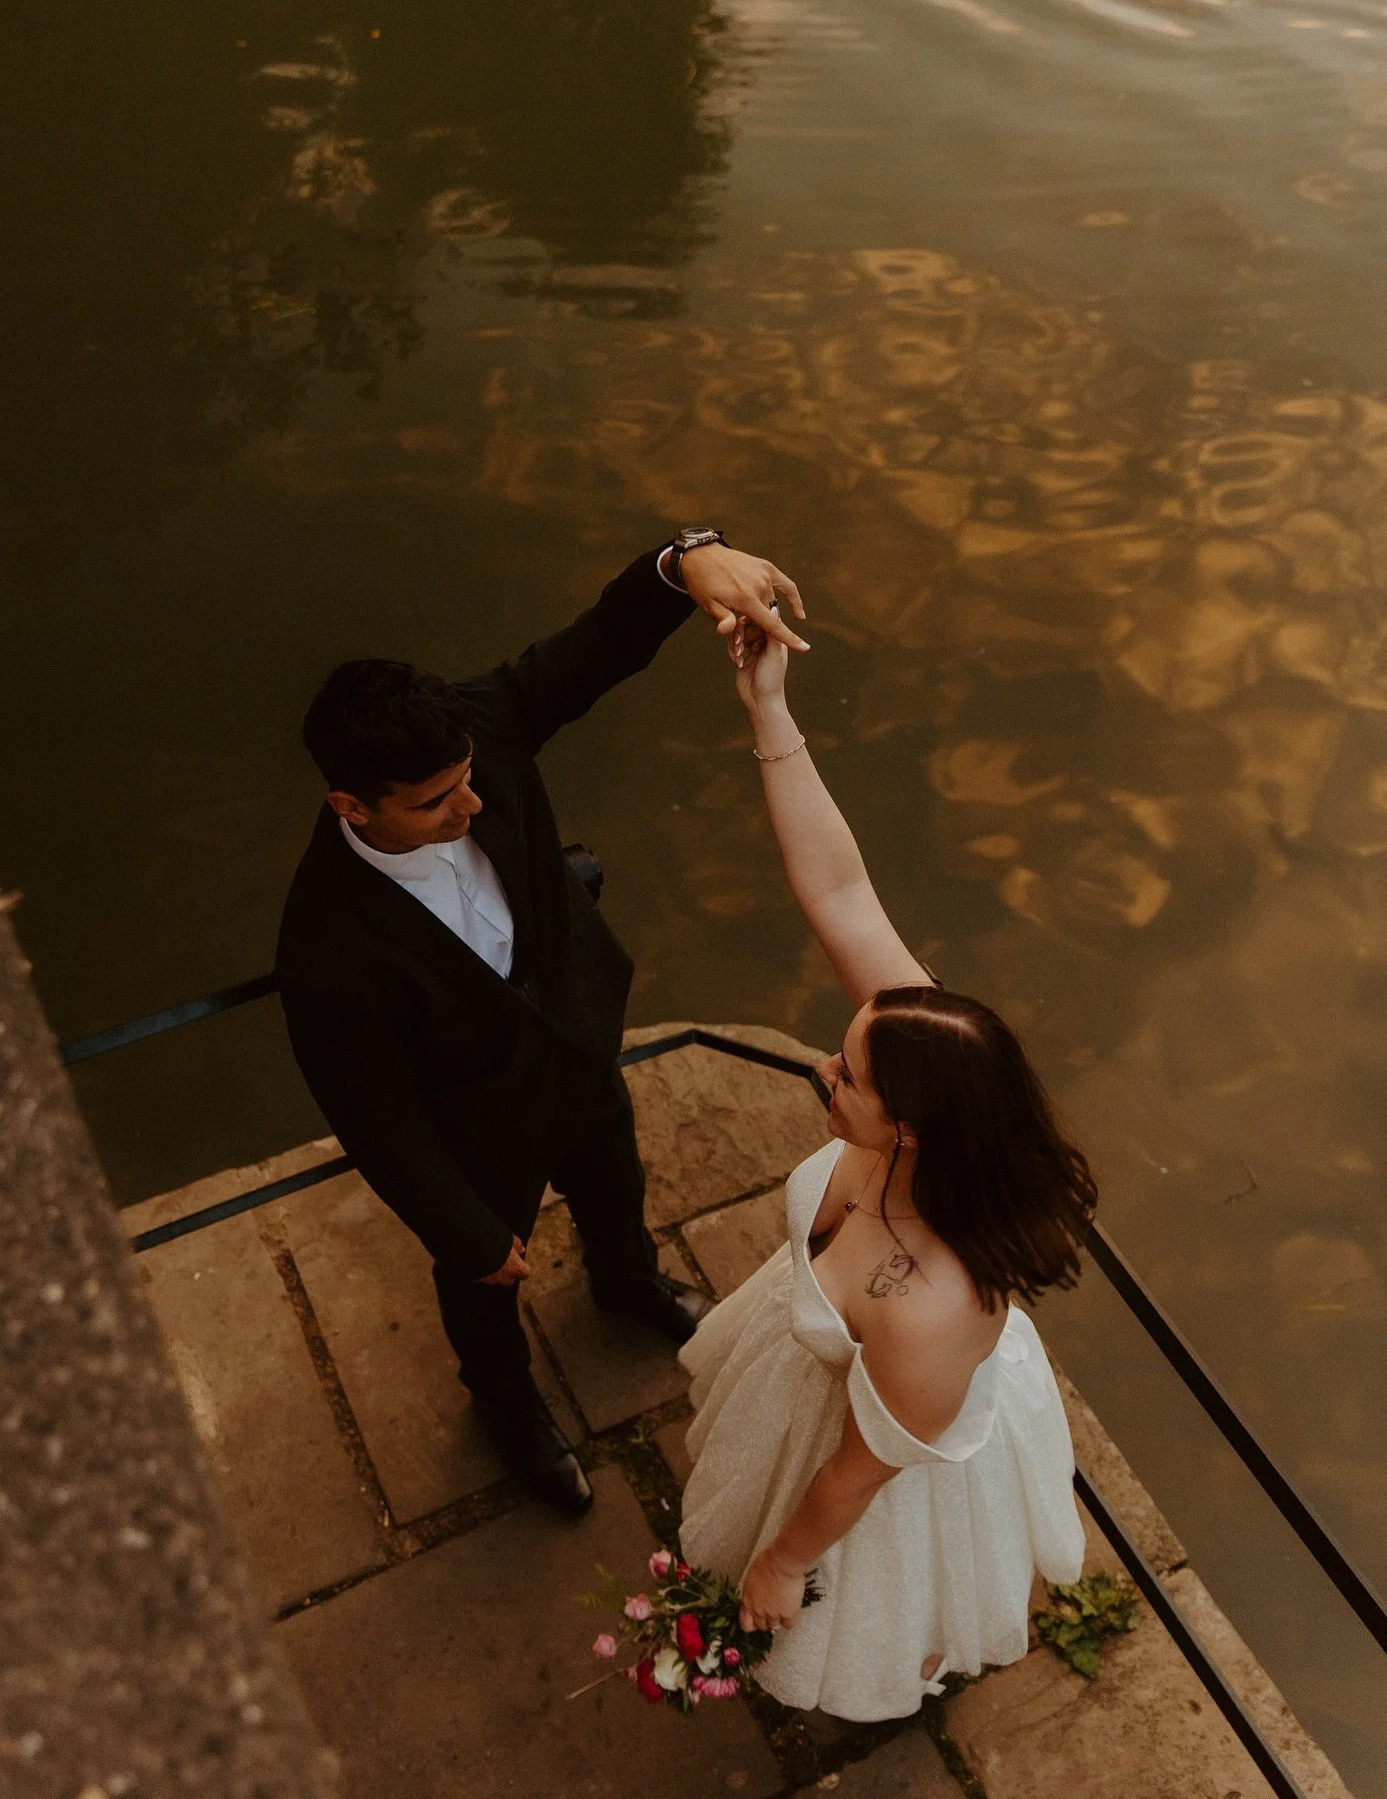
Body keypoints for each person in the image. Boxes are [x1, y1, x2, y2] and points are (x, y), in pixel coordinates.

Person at [275, 534, 808, 1518]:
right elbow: (372, 1111)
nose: (471, 805)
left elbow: (597, 644)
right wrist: (468, 1228)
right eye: (436, 803)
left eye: (469, 779)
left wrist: (684, 560)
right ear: (352, 804)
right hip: (476, 1129)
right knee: (482, 1288)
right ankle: (508, 1403)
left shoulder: (481, 726)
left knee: (616, 1178)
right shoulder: (324, 947)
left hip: (577, 1045)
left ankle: (627, 1281)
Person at [676, 615, 1095, 1719]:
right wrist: (770, 708)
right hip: (828, 1366)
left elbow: (858, 1471)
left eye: (846, 1077)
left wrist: (776, 1561)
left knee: (866, 1596)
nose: (826, 1068)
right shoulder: (927, 1057)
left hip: (871, 1442)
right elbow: (843, 892)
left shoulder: (934, 1309)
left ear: (906, 1126)